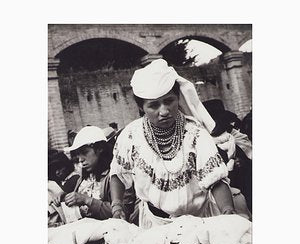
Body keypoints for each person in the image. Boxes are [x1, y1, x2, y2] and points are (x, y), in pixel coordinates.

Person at [110, 59, 250, 227]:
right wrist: (117, 206)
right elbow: (118, 173)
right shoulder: (131, 135)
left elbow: (216, 180)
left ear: (178, 97)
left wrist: (228, 211)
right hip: (156, 223)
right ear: (141, 108)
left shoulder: (195, 133)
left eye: (169, 101)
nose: (164, 111)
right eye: (153, 106)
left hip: (200, 221)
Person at [55, 126, 136, 221]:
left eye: (85, 152)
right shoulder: (84, 177)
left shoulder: (116, 176)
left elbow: (123, 212)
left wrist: (87, 200)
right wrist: (66, 197)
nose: (80, 159)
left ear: (100, 149)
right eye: (78, 154)